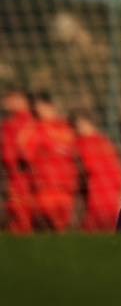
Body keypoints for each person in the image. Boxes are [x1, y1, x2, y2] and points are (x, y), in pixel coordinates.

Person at [26, 93, 78, 231]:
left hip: (66, 190)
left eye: (41, 107)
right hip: (45, 189)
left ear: (51, 107)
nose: (38, 111)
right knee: (46, 229)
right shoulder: (36, 129)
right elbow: (26, 154)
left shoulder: (67, 128)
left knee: (61, 231)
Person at [71, 112, 121, 234]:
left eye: (79, 125)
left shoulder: (85, 143)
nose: (78, 128)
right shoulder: (104, 142)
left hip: (98, 191)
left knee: (92, 228)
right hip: (108, 191)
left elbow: (85, 167)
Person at [1, 89, 35, 233]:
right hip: (13, 177)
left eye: (12, 98)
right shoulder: (10, 124)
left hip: (22, 178)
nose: (6, 101)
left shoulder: (27, 123)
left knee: (22, 219)